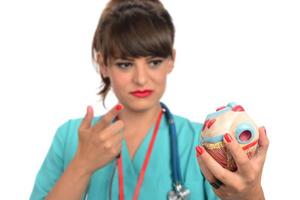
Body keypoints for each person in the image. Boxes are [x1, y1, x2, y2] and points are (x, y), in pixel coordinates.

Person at [30, 0, 269, 199]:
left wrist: (252, 194)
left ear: (171, 60)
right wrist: (82, 164)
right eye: (125, 64)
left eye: (153, 62)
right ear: (103, 64)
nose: (141, 79)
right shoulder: (70, 138)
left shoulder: (204, 143)